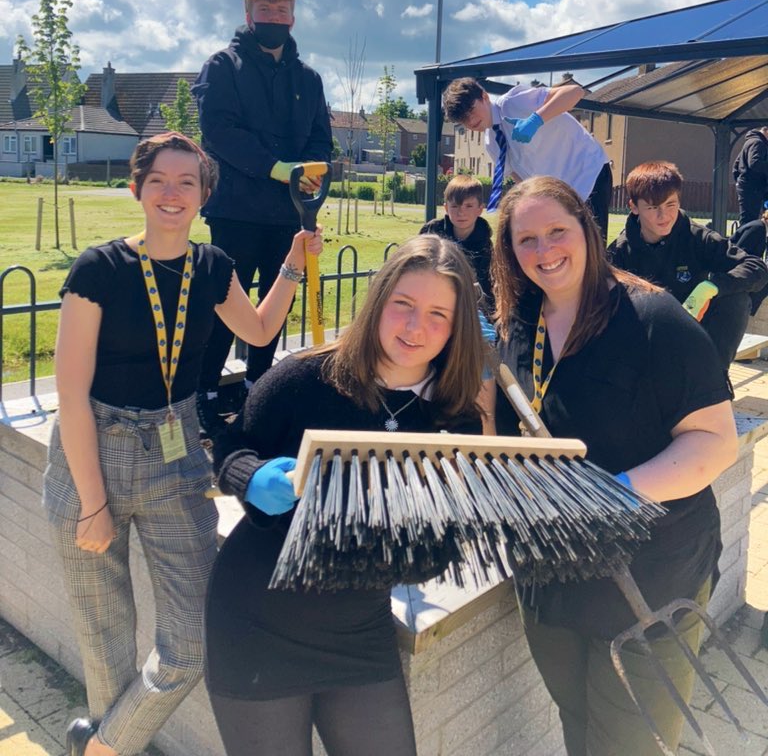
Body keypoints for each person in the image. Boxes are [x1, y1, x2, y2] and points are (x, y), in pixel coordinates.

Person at [44, 131, 322, 756]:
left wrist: (290, 265)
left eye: (187, 183)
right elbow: (69, 392)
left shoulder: (212, 267)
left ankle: (101, 745)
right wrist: (92, 502)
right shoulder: (98, 270)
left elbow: (259, 327)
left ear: (202, 196)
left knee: (190, 642)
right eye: (160, 181)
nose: (173, 194)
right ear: (137, 187)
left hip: (175, 454)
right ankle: (116, 742)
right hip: (93, 450)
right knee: (104, 639)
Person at [204, 235, 485, 756]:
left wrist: (435, 535)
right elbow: (228, 447)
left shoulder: (454, 420)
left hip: (360, 634)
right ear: (379, 302)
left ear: (456, 327)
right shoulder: (304, 379)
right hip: (256, 622)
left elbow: (434, 553)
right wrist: (250, 477)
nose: (415, 327)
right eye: (402, 305)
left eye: (437, 314)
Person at [490, 175, 737, 756]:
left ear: (588, 230)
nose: (545, 251)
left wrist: (614, 495)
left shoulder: (654, 319)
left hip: (650, 581)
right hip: (552, 582)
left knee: (633, 746)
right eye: (526, 240)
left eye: (558, 231)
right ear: (508, 251)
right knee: (579, 727)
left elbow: (715, 441)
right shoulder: (518, 327)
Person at [193, 0, 333, 428]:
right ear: (249, 14)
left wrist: (310, 174)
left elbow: (319, 137)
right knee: (224, 303)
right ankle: (205, 394)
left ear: (293, 16)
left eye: (282, 11)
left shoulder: (308, 79)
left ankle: (258, 386)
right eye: (265, 11)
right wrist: (276, 168)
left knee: (277, 303)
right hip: (235, 210)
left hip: (288, 214)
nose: (275, 18)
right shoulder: (223, 67)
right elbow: (220, 132)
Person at [608, 161, 768, 370]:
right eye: (653, 207)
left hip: (694, 331)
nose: (663, 216)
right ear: (633, 207)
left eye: (670, 205)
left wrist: (712, 285)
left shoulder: (699, 238)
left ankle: (715, 382)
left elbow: (756, 268)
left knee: (736, 299)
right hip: (645, 337)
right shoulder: (619, 252)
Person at [442, 76, 612, 240]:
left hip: (588, 174)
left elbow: (575, 92)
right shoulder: (491, 143)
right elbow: (519, 178)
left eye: (471, 111)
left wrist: (536, 119)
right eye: (463, 120)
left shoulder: (513, 102)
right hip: (560, 197)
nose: (470, 121)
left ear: (485, 97)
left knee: (593, 254)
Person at [419, 173, 493, 304]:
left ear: (480, 209)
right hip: (432, 298)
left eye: (469, 206)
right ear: (446, 208)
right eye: (455, 206)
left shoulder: (486, 246)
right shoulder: (431, 233)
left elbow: (488, 288)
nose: (461, 212)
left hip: (471, 306)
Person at [731, 203, 768, 316]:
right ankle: (749, 312)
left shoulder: (763, 231)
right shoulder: (757, 229)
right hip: (734, 274)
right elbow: (737, 256)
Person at [732, 126, 768, 226]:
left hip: (748, 187)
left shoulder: (750, 142)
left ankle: (745, 239)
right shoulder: (758, 143)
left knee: (747, 219)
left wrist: (739, 182)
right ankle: (745, 240)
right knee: (749, 221)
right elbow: (754, 163)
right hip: (753, 188)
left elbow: (736, 164)